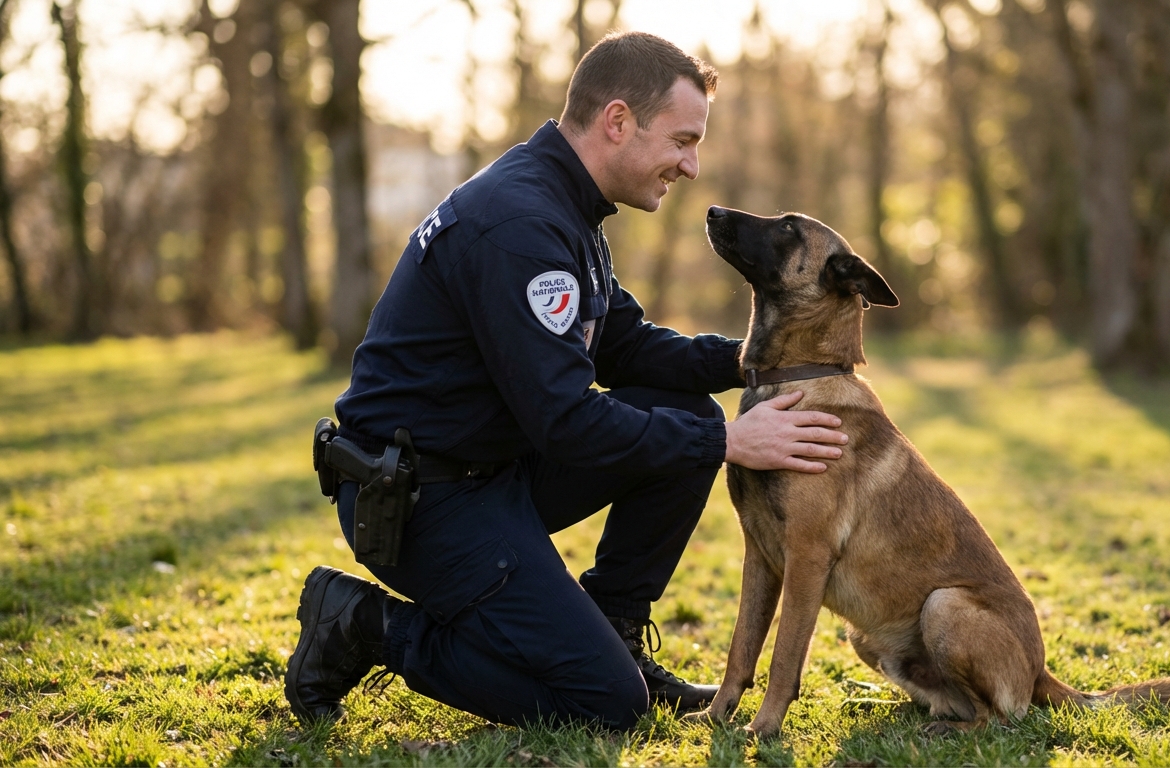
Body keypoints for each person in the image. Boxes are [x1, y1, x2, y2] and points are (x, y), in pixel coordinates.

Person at [285, 31, 848, 731]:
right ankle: (366, 625)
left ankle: (613, 628)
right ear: (618, 121)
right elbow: (567, 423)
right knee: (606, 705)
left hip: (492, 470)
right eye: (681, 140)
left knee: (686, 411)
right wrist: (732, 443)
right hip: (422, 502)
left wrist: (767, 358)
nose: (692, 166)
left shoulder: (565, 208)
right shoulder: (522, 225)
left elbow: (628, 348)